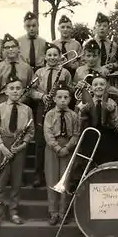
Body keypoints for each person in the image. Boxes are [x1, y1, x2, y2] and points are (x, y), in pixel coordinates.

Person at [0, 75, 35, 228]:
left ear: (22, 91)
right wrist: (2, 147)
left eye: (18, 88)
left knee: (16, 180)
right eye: (12, 88)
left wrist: (23, 145)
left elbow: (31, 131)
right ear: (6, 91)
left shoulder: (27, 110)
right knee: (1, 180)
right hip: (4, 144)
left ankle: (14, 211)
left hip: (19, 146)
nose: (15, 91)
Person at [30, 42, 73, 188]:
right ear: (45, 57)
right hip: (43, 106)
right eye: (49, 55)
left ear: (60, 57)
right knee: (40, 142)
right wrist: (41, 96)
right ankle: (38, 175)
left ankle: (56, 175)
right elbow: (31, 91)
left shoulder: (65, 73)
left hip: (58, 107)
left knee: (57, 138)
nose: (52, 57)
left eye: (55, 55)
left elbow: (69, 90)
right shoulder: (39, 72)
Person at [43, 81, 80, 225]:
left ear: (70, 99)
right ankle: (53, 213)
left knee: (65, 180)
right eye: (60, 97)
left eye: (66, 97)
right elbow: (47, 132)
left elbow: (76, 134)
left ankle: (63, 212)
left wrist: (68, 147)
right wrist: (57, 147)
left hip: (67, 148)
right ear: (54, 99)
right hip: (52, 148)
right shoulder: (50, 115)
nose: (63, 100)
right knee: (52, 180)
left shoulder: (74, 115)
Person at [76, 74, 118, 166]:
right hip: (90, 137)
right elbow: (79, 125)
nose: (98, 87)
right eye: (95, 85)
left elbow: (116, 124)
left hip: (107, 139)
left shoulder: (111, 102)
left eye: (102, 84)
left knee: (107, 162)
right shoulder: (84, 103)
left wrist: (111, 112)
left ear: (106, 87)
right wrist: (82, 113)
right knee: (89, 163)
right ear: (91, 88)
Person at [0, 33, 34, 120]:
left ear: (18, 48)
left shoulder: (26, 67)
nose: (10, 49)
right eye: (7, 47)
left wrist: (24, 97)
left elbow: (32, 88)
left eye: (13, 46)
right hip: (3, 102)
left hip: (22, 102)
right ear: (3, 50)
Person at [52, 15, 82, 79]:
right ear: (58, 29)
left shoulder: (76, 44)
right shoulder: (53, 44)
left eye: (68, 27)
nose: (65, 29)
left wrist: (71, 65)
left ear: (71, 29)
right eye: (62, 27)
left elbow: (81, 63)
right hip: (55, 75)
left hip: (72, 74)